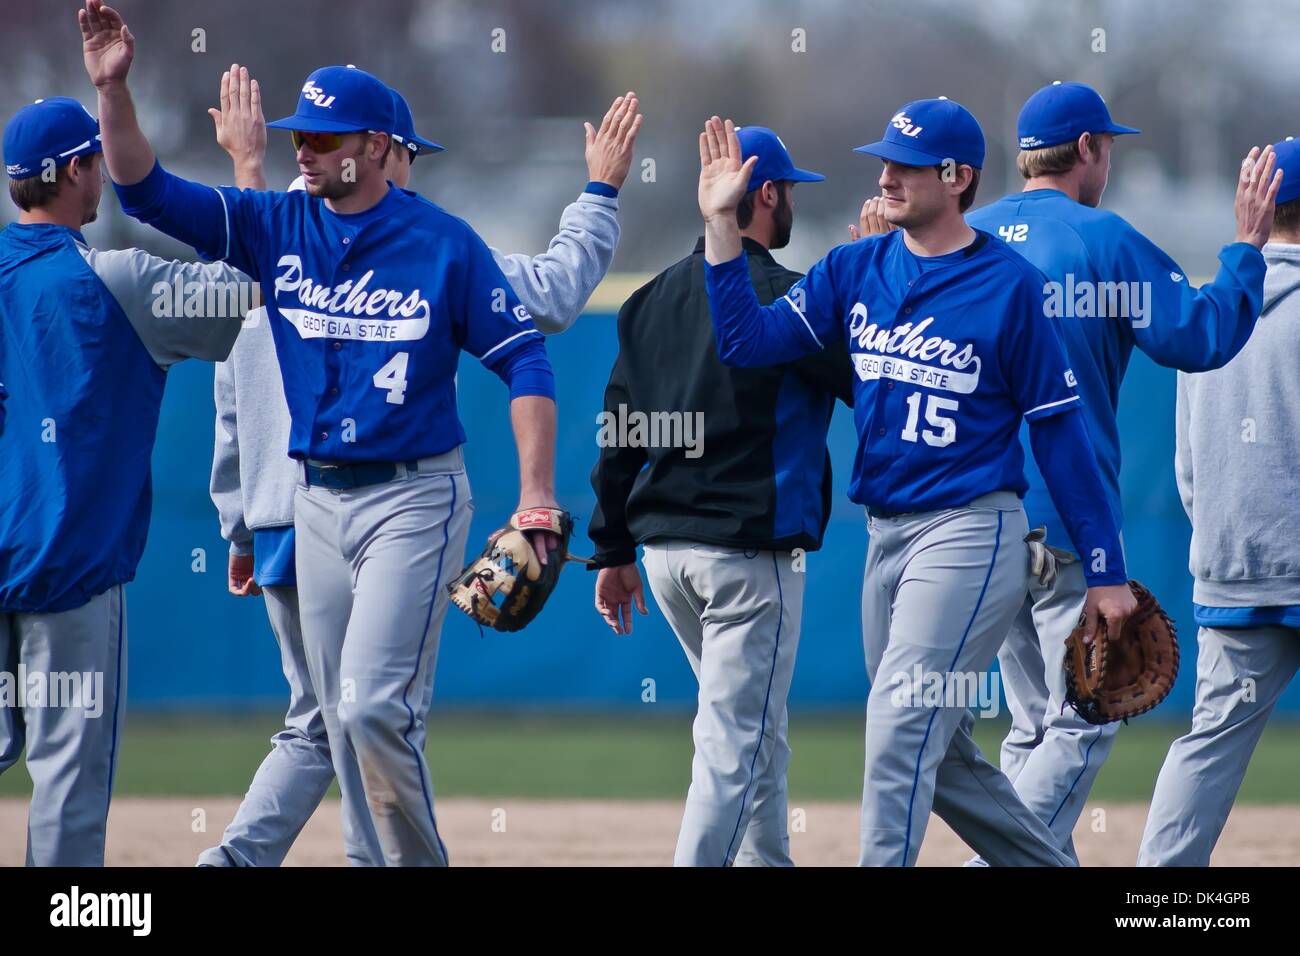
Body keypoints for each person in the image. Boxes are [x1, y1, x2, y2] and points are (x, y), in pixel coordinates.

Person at [80, 0, 559, 866]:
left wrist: (535, 496)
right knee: (340, 720)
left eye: (327, 138)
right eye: (301, 135)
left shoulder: (444, 244)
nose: (306, 149)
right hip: (315, 499)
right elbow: (143, 189)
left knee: (376, 706)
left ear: (378, 148)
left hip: (414, 495)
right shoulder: (276, 225)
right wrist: (115, 92)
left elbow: (526, 361)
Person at [199, 64, 638, 866]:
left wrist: (235, 522)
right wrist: (599, 196)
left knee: (330, 719)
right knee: (361, 715)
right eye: (410, 155)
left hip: (275, 510)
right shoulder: (408, 247)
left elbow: (231, 393)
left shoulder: (280, 240)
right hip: (337, 503)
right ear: (383, 150)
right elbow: (554, 290)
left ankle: (239, 860)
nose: (410, 173)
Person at [699, 100, 1136, 866]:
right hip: (886, 536)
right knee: (947, 755)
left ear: (958, 177)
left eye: (907, 165)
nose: (886, 176)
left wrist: (1105, 571)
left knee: (898, 730)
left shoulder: (1011, 286)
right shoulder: (855, 267)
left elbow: (1062, 438)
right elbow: (746, 341)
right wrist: (722, 230)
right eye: (885, 160)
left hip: (973, 529)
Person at [965, 81, 1280, 863]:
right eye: (1109, 147)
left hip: (967, 522)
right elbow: (1202, 336)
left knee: (1033, 729)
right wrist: (1244, 249)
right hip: (1064, 524)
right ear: (1089, 152)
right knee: (1083, 722)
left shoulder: (961, 234)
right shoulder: (1100, 242)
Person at [590, 126, 851, 867]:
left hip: (668, 559)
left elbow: (619, 433)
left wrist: (612, 547)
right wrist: (872, 278)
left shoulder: (645, 302)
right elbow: (875, 389)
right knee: (734, 745)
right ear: (765, 194)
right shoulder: (793, 302)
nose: (793, 201)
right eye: (790, 189)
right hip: (748, 564)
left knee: (754, 734)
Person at [0, 94, 243, 865]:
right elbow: (246, 296)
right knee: (67, 782)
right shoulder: (119, 281)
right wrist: (246, 169)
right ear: (77, 171)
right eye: (95, 161)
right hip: (70, 568)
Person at [1137, 138, 1300, 866]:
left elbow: (1187, 466)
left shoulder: (1210, 306)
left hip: (1232, 566)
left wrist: (1222, 535)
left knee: (1207, 745)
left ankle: (1161, 895)